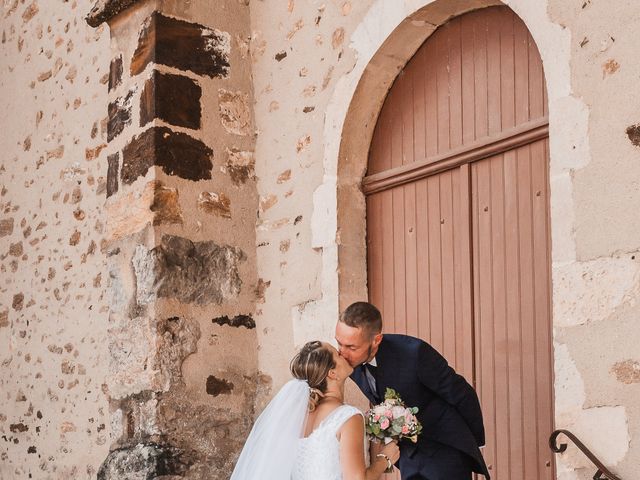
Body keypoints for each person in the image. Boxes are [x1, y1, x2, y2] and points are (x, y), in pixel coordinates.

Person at [336, 302, 490, 480]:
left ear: (376, 340)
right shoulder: (346, 361)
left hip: (444, 448)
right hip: (409, 455)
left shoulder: (414, 354)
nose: (342, 353)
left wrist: (475, 443)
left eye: (351, 347)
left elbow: (462, 393)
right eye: (339, 343)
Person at [230, 340, 400, 480]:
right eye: (338, 353)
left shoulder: (296, 417)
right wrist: (385, 458)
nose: (344, 353)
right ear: (332, 373)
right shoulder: (347, 417)